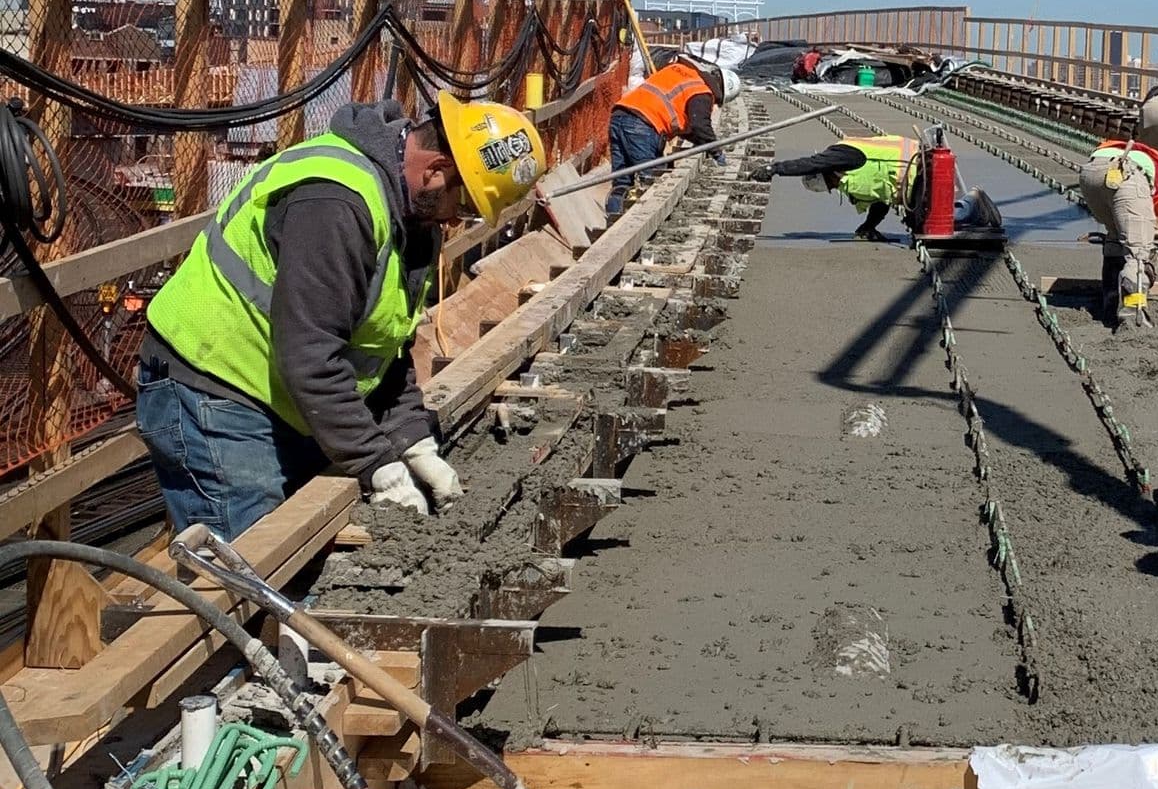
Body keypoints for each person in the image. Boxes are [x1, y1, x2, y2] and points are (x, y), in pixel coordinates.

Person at [138, 94, 544, 539]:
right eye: (463, 205)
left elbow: (384, 348)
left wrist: (412, 436)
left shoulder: (411, 220)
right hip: (214, 385)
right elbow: (311, 357)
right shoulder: (336, 204)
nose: (455, 222)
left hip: (284, 387)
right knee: (255, 569)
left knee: (308, 544)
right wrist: (378, 465)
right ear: (435, 171)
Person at [1076, 138, 1158, 329]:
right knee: (1139, 254)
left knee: (1116, 236)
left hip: (1091, 172)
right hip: (1127, 174)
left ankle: (1111, 296)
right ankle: (1133, 318)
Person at [606, 54, 726, 219]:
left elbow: (691, 127)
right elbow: (700, 125)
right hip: (643, 125)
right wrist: (717, 152)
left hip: (619, 115)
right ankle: (637, 225)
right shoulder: (701, 90)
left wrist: (703, 142)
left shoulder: (677, 71)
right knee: (650, 183)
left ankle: (613, 222)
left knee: (622, 182)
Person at [772, 135, 923, 239]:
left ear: (827, 173)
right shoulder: (847, 177)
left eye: (831, 184)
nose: (836, 187)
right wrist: (868, 226)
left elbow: (810, 164)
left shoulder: (842, 155)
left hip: (920, 168)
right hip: (916, 189)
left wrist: (775, 169)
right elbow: (880, 198)